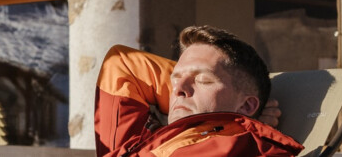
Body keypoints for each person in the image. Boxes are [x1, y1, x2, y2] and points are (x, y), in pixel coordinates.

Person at [95, 26, 298, 157]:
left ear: (246, 104)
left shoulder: (228, 147)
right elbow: (122, 63)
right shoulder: (152, 139)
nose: (178, 90)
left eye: (204, 80)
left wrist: (238, 118)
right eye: (175, 78)